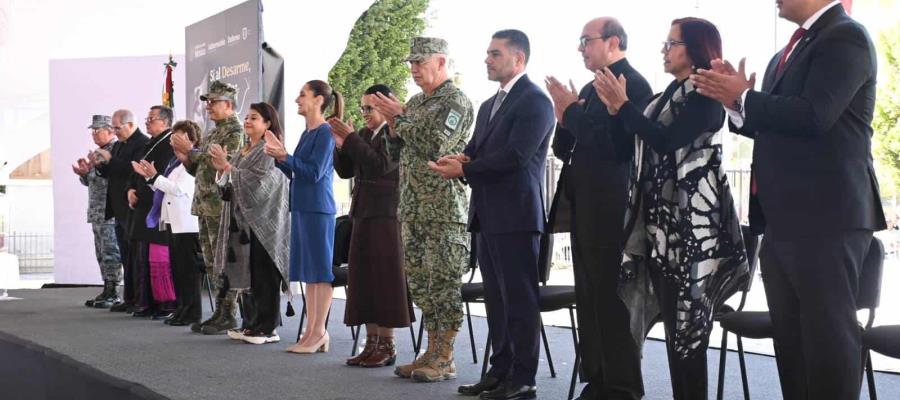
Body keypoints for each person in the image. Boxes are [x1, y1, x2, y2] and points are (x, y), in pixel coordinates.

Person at [691, 1, 886, 398]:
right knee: (792, 341)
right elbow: (776, 124)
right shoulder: (785, 52)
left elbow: (815, 115)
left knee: (828, 340)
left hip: (828, 214)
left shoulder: (844, 35)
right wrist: (737, 103)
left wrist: (746, 96)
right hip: (783, 217)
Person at [593, 17, 749, 399]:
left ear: (695, 48)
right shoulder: (667, 94)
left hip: (693, 226)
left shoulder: (706, 93)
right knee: (673, 328)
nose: (664, 50)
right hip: (659, 225)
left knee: (688, 331)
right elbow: (629, 145)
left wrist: (624, 106)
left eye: (671, 43)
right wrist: (617, 113)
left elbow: (667, 140)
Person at [432, 29, 554, 399]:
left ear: (518, 59)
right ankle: (499, 370)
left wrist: (466, 170)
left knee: (519, 299)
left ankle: (523, 377)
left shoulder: (535, 101)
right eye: (487, 53)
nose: (487, 59)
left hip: (517, 216)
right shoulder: (488, 105)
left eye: (495, 54)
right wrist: (462, 159)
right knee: (496, 301)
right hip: (487, 214)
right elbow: (477, 150)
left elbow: (517, 157)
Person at [544, 18, 653, 400]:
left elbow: (616, 146)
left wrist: (571, 113)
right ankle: (598, 378)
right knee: (588, 296)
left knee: (612, 298)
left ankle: (622, 386)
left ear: (613, 42)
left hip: (613, 206)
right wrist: (565, 116)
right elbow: (567, 146)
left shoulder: (632, 85)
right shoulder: (592, 87)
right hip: (585, 205)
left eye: (586, 40)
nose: (581, 48)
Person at [370, 36, 474, 383]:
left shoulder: (455, 101)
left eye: (420, 61)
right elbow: (397, 154)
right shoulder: (415, 102)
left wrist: (401, 118)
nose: (413, 68)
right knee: (421, 284)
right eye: (410, 63)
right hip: (412, 209)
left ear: (441, 62)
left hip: (443, 210)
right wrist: (391, 127)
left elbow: (435, 145)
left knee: (443, 284)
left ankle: (445, 357)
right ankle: (429, 352)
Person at [330, 84, 415, 367]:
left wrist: (351, 139)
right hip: (363, 210)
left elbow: (381, 165)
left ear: (386, 106)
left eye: (370, 108)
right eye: (362, 108)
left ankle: (387, 344)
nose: (364, 113)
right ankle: (371, 342)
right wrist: (339, 144)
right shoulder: (364, 134)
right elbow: (345, 171)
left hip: (387, 212)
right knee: (363, 278)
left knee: (384, 277)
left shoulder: (396, 132)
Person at [264, 80, 341, 353]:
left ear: (319, 100)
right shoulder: (309, 133)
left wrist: (285, 156)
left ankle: (319, 331)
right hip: (302, 206)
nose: (297, 99)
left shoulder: (325, 131)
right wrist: (279, 158)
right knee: (309, 274)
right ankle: (311, 331)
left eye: (302, 95)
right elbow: (297, 173)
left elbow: (314, 172)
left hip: (319, 208)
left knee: (320, 272)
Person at [207, 102, 291, 345]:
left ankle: (267, 328)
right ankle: (251, 323)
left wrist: (227, 167)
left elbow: (261, 183)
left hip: (265, 221)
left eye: (254, 118)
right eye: (246, 117)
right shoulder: (244, 150)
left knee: (264, 273)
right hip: (241, 221)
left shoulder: (269, 149)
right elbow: (229, 182)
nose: (247, 121)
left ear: (267, 124)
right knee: (246, 272)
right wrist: (223, 171)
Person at [171, 80, 245, 335]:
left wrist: (191, 152)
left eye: (214, 102)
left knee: (222, 260)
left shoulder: (235, 131)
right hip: (205, 204)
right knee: (212, 262)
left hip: (221, 205)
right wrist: (188, 159)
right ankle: (219, 312)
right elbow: (202, 168)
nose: (209, 107)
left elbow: (222, 163)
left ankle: (228, 313)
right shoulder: (213, 132)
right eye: (208, 102)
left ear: (229, 104)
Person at [132, 120, 203, 327]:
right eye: (172, 138)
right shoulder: (175, 161)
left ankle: (192, 312)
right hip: (173, 221)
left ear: (191, 139)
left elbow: (180, 189)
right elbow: (164, 188)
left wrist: (155, 177)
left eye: (178, 138)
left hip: (186, 223)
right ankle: (182, 309)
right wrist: (150, 178)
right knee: (178, 270)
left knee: (188, 271)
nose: (173, 142)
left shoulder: (193, 160)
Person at [95, 109, 149, 312]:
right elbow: (112, 171)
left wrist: (110, 159)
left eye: (117, 128)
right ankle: (128, 297)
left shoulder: (142, 143)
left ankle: (138, 298)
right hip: (118, 208)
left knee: (135, 255)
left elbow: (132, 170)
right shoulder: (118, 145)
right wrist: (100, 164)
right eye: (114, 128)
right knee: (125, 255)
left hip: (132, 207)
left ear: (130, 124)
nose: (115, 132)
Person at [126, 106, 176, 319]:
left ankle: (163, 303)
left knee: (158, 258)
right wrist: (130, 189)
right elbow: (134, 170)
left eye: (151, 119)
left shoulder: (169, 144)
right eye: (147, 118)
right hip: (142, 206)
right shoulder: (149, 143)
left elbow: (162, 175)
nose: (147, 122)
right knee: (141, 258)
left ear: (165, 122)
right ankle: (144, 300)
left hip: (157, 207)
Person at [73, 115, 122, 308]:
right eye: (92, 130)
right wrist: (85, 174)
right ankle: (107, 287)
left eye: (97, 130)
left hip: (109, 211)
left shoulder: (115, 152)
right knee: (101, 251)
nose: (94, 134)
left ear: (110, 130)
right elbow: (92, 182)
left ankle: (114, 291)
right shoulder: (97, 153)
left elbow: (115, 178)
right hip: (97, 210)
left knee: (111, 252)